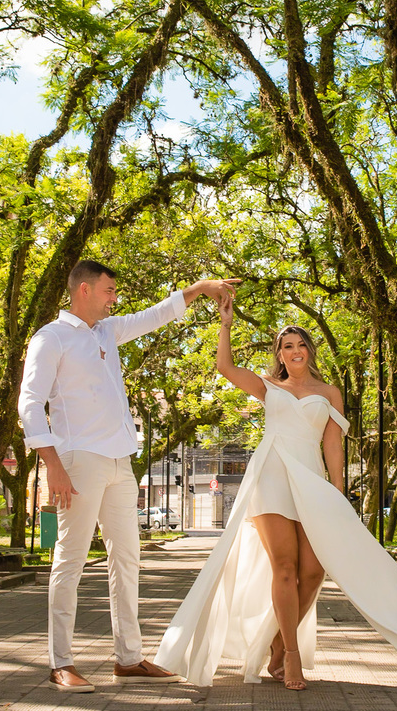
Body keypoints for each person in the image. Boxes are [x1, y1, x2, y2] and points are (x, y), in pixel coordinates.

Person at [154, 298, 397, 689]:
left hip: (312, 480)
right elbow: (225, 367)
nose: (295, 350)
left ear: (310, 351)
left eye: (300, 344)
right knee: (284, 568)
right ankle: (290, 656)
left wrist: (338, 491)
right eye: (287, 346)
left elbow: (333, 444)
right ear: (280, 356)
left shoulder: (330, 391)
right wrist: (225, 324)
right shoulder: (268, 387)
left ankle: (274, 640)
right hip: (271, 475)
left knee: (314, 571)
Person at [18, 259, 238, 693]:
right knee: (72, 559)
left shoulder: (106, 331)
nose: (114, 297)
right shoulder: (51, 338)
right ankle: (61, 662)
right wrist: (53, 463)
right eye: (108, 290)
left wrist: (199, 287)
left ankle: (129, 658)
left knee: (128, 560)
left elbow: (154, 316)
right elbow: (29, 403)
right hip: (77, 460)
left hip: (121, 462)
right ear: (84, 290)